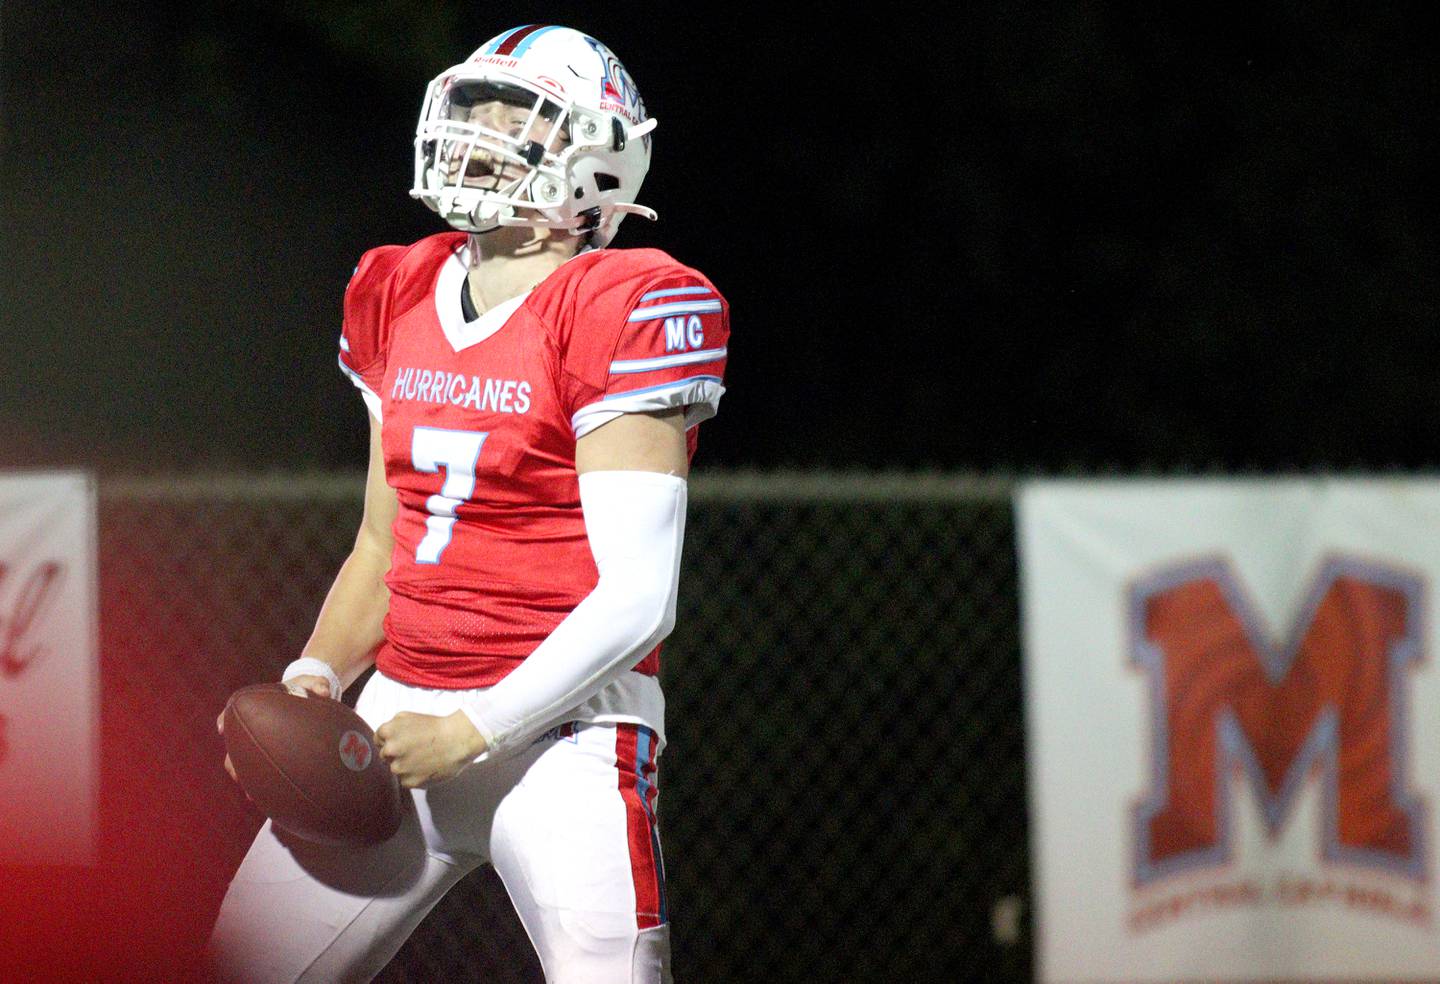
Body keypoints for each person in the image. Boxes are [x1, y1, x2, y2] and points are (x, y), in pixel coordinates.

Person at [207, 24, 728, 983]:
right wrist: (318, 671)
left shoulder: (624, 302)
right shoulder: (397, 287)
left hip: (568, 734)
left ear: (600, 159)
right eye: (473, 109)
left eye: (516, 116)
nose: (480, 133)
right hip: (399, 718)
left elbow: (639, 596)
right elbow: (383, 542)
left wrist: (475, 727)